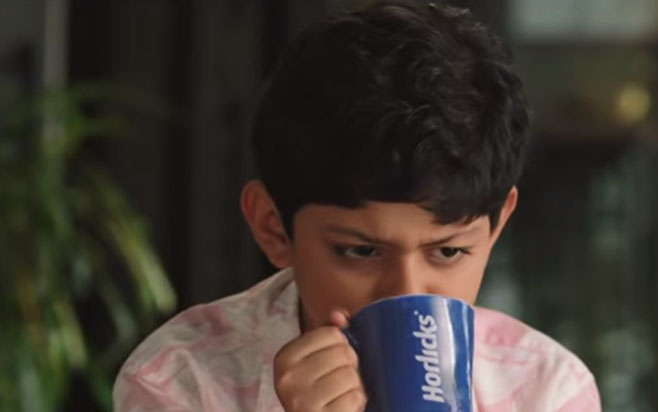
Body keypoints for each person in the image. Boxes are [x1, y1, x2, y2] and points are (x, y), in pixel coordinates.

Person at [113, 1, 602, 411]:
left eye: (448, 252)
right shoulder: (180, 382)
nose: (405, 291)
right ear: (273, 228)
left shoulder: (544, 390)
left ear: (496, 229)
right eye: (361, 252)